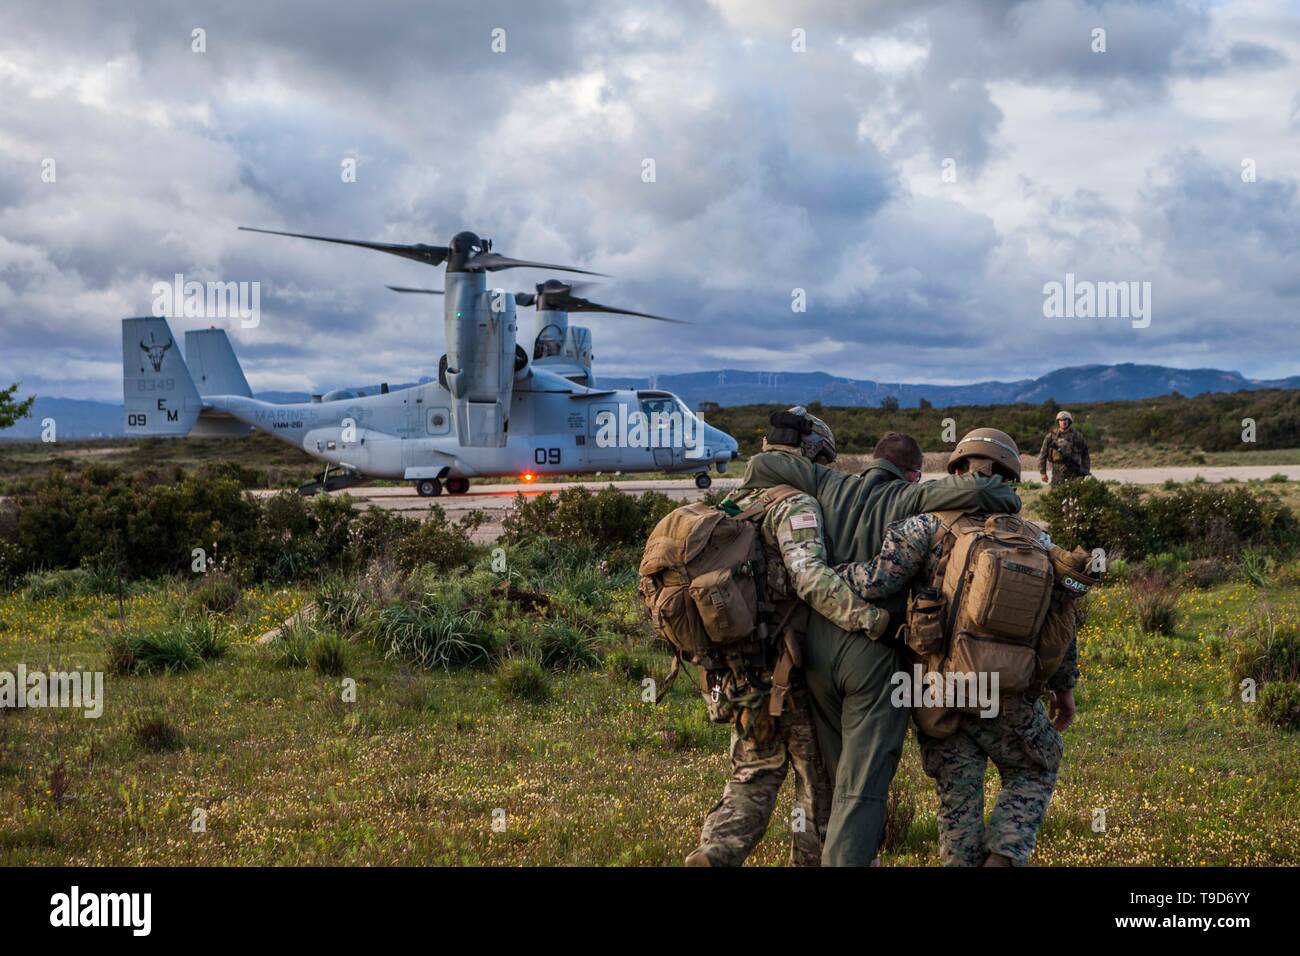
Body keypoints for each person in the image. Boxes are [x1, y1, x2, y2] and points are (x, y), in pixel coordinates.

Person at [735, 430, 1021, 865]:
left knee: (833, 779)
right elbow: (987, 490)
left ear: (871, 462)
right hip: (873, 651)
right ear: (912, 473)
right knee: (861, 788)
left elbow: (760, 466)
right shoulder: (910, 497)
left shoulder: (829, 482)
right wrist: (1007, 494)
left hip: (815, 653)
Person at [836, 428, 1081, 866]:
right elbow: (1061, 622)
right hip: (1007, 695)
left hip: (936, 692)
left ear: (956, 470)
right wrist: (1063, 688)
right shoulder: (1038, 541)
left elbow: (874, 583)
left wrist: (822, 570)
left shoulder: (924, 528)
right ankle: (1005, 856)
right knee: (1036, 765)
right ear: (1010, 476)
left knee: (957, 806)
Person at [685, 408, 889, 867]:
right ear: (812, 454)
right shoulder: (794, 503)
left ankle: (714, 854)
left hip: (736, 667)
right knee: (815, 786)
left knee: (751, 773)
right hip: (788, 671)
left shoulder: (734, 501)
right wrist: (871, 620)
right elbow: (811, 579)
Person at [1038, 410, 1090, 484]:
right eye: (1061, 420)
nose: (1063, 422)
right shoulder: (1051, 436)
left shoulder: (1077, 436)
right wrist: (1043, 472)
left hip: (1074, 469)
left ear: (1069, 421)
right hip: (1057, 470)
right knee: (1056, 492)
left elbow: (1085, 453)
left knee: (1075, 492)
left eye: (1065, 419)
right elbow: (1043, 454)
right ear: (1058, 422)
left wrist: (1085, 469)